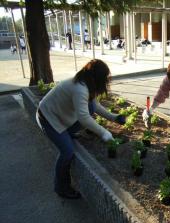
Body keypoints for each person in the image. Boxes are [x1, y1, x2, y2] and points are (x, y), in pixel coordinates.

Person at [36, 59, 126, 199]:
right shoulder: (80, 88)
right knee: (67, 152)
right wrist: (104, 132)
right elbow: (83, 118)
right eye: (105, 78)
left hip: (60, 116)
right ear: (97, 77)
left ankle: (68, 134)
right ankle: (61, 187)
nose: (106, 81)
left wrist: (114, 117)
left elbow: (94, 106)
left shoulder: (86, 84)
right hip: (48, 118)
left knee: (89, 107)